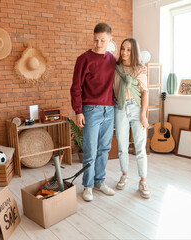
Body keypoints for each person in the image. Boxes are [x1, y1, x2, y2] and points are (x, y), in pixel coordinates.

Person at [70, 23, 116, 202]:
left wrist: (141, 68)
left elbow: (126, 73)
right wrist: (78, 111)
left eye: (103, 40)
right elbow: (76, 87)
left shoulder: (113, 60)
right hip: (90, 110)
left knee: (104, 149)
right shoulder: (84, 59)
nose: (98, 44)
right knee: (90, 149)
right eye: (96, 40)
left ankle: (99, 182)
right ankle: (87, 186)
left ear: (110, 40)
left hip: (109, 109)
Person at [113, 38, 151, 199]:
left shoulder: (139, 70)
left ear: (133, 51)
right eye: (122, 49)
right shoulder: (115, 69)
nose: (125, 52)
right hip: (120, 108)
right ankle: (124, 174)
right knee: (122, 146)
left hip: (136, 108)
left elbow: (145, 93)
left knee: (140, 148)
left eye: (128, 49)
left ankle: (143, 181)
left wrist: (143, 115)